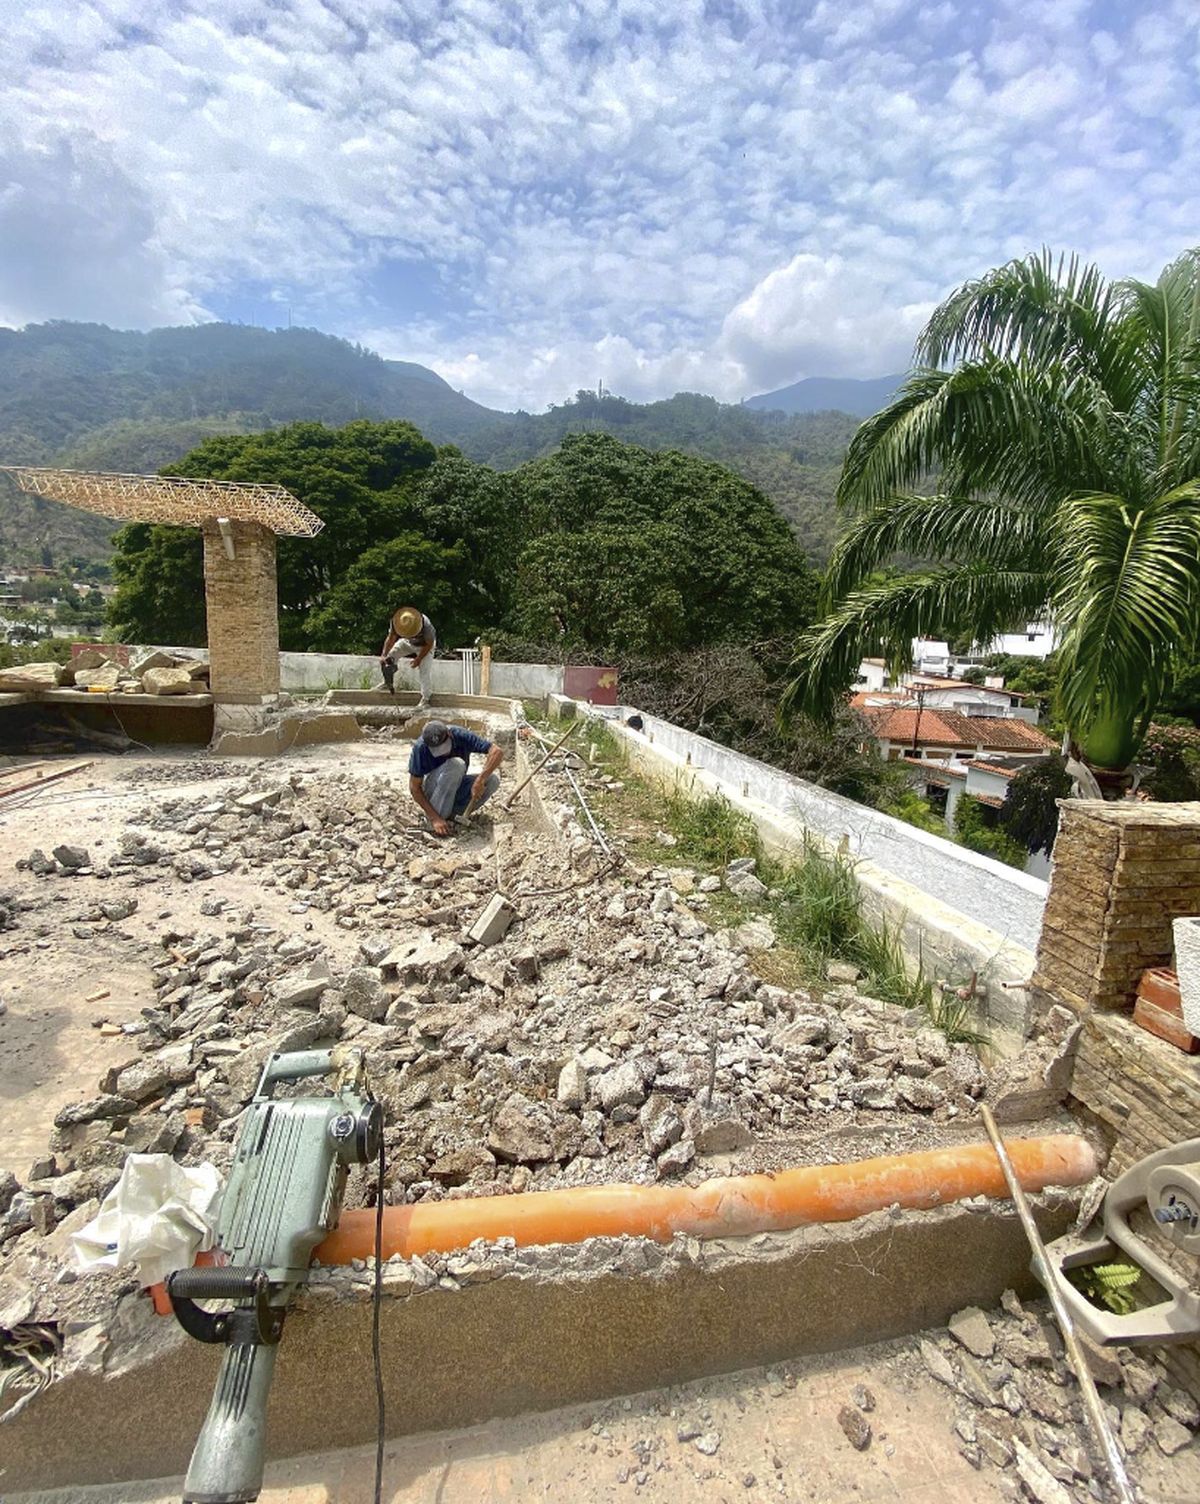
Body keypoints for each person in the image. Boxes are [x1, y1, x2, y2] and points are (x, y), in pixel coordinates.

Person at [409, 719, 504, 837]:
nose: (442, 753)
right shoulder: (421, 748)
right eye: (437, 750)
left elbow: (496, 752)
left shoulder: (460, 735)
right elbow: (414, 788)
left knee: (492, 781)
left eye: (444, 747)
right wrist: (434, 818)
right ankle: (439, 817)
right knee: (456, 764)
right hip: (434, 794)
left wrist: (481, 779)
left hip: (454, 787)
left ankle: (454, 815)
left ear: (449, 735)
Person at [381, 606, 436, 707]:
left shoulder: (426, 626)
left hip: (424, 646)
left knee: (424, 670)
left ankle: (426, 698)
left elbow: (429, 644)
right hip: (408, 642)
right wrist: (384, 655)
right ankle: (387, 682)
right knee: (389, 657)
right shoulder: (396, 621)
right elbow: (391, 638)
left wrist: (418, 659)